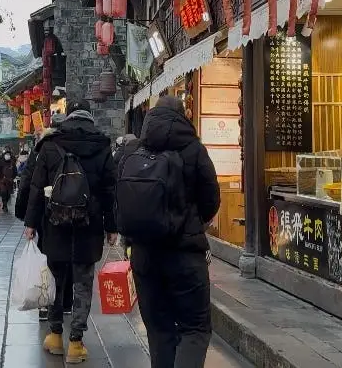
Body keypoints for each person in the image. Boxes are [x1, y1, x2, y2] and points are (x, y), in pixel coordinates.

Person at [123, 95, 220, 368]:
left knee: (159, 331)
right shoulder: (194, 149)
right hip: (185, 255)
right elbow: (211, 199)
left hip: (144, 255)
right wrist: (195, 223)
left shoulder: (134, 151)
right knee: (195, 328)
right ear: (183, 115)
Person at [25, 99, 117, 364]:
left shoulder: (50, 144)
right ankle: (76, 342)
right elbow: (110, 190)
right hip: (89, 224)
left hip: (56, 223)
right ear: (90, 117)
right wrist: (112, 227)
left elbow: (36, 187)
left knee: (55, 280)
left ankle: (55, 336)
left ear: (67, 116)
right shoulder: (102, 146)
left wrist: (31, 223)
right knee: (83, 283)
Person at [16, 126, 74, 323]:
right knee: (69, 254)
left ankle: (46, 302)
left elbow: (30, 184)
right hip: (73, 209)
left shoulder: (41, 151)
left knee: (48, 255)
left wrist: (27, 218)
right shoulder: (74, 147)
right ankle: (66, 302)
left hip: (46, 212)